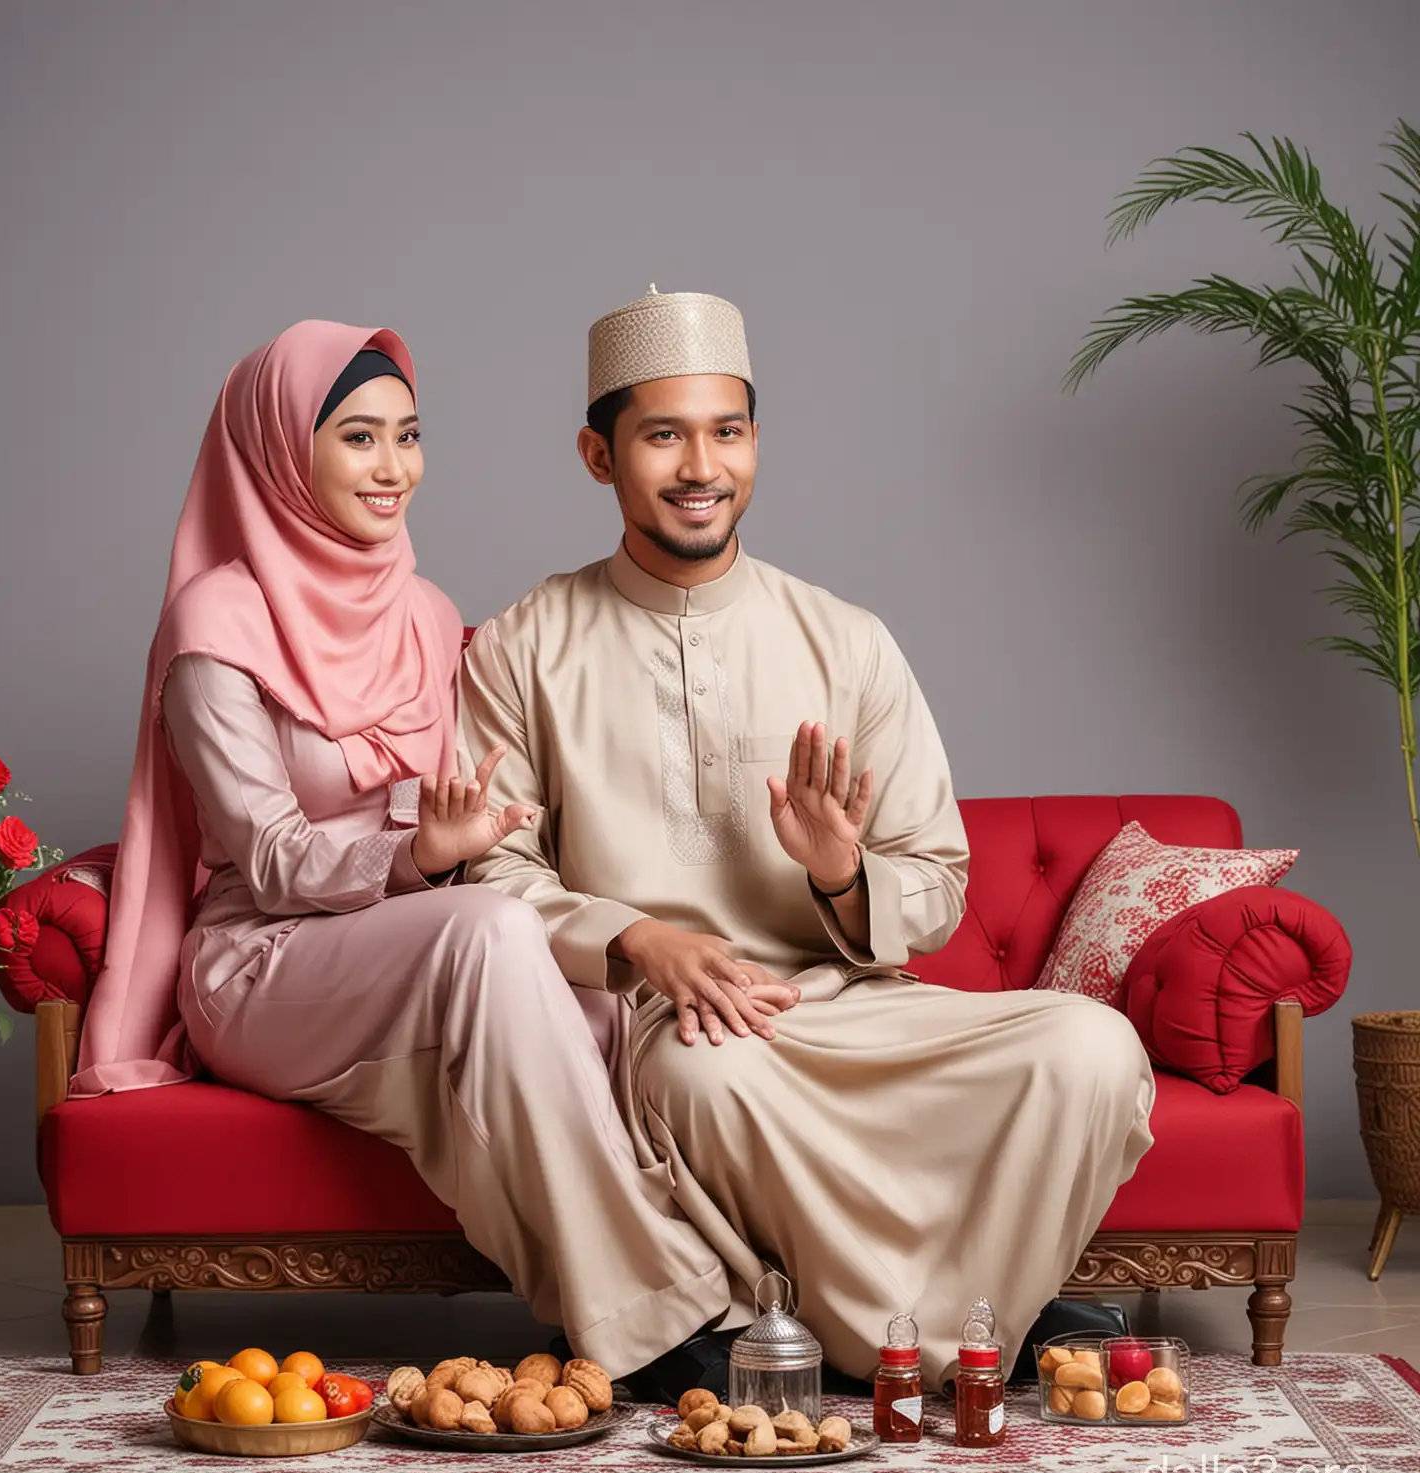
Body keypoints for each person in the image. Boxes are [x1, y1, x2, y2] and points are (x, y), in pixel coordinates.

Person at [458, 286, 1158, 1395]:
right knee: (710, 1081)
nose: (702, 466)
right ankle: (973, 1336)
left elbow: (932, 883)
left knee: (1091, 1050)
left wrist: (840, 870)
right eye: (663, 436)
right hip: (678, 1022)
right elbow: (486, 874)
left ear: (755, 443)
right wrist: (640, 938)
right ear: (599, 456)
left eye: (727, 432)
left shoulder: (848, 641)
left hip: (857, 1008)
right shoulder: (519, 648)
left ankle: (870, 1334)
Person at [71, 319, 737, 1381]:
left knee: (605, 993)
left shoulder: (425, 613)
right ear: (284, 451)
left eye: (409, 436)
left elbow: (469, 812)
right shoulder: (216, 625)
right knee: (490, 934)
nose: (394, 470)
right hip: (265, 961)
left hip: (405, 939)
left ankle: (643, 1290)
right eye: (359, 438)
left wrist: (477, 840)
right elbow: (275, 859)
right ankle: (656, 1319)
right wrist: (415, 853)